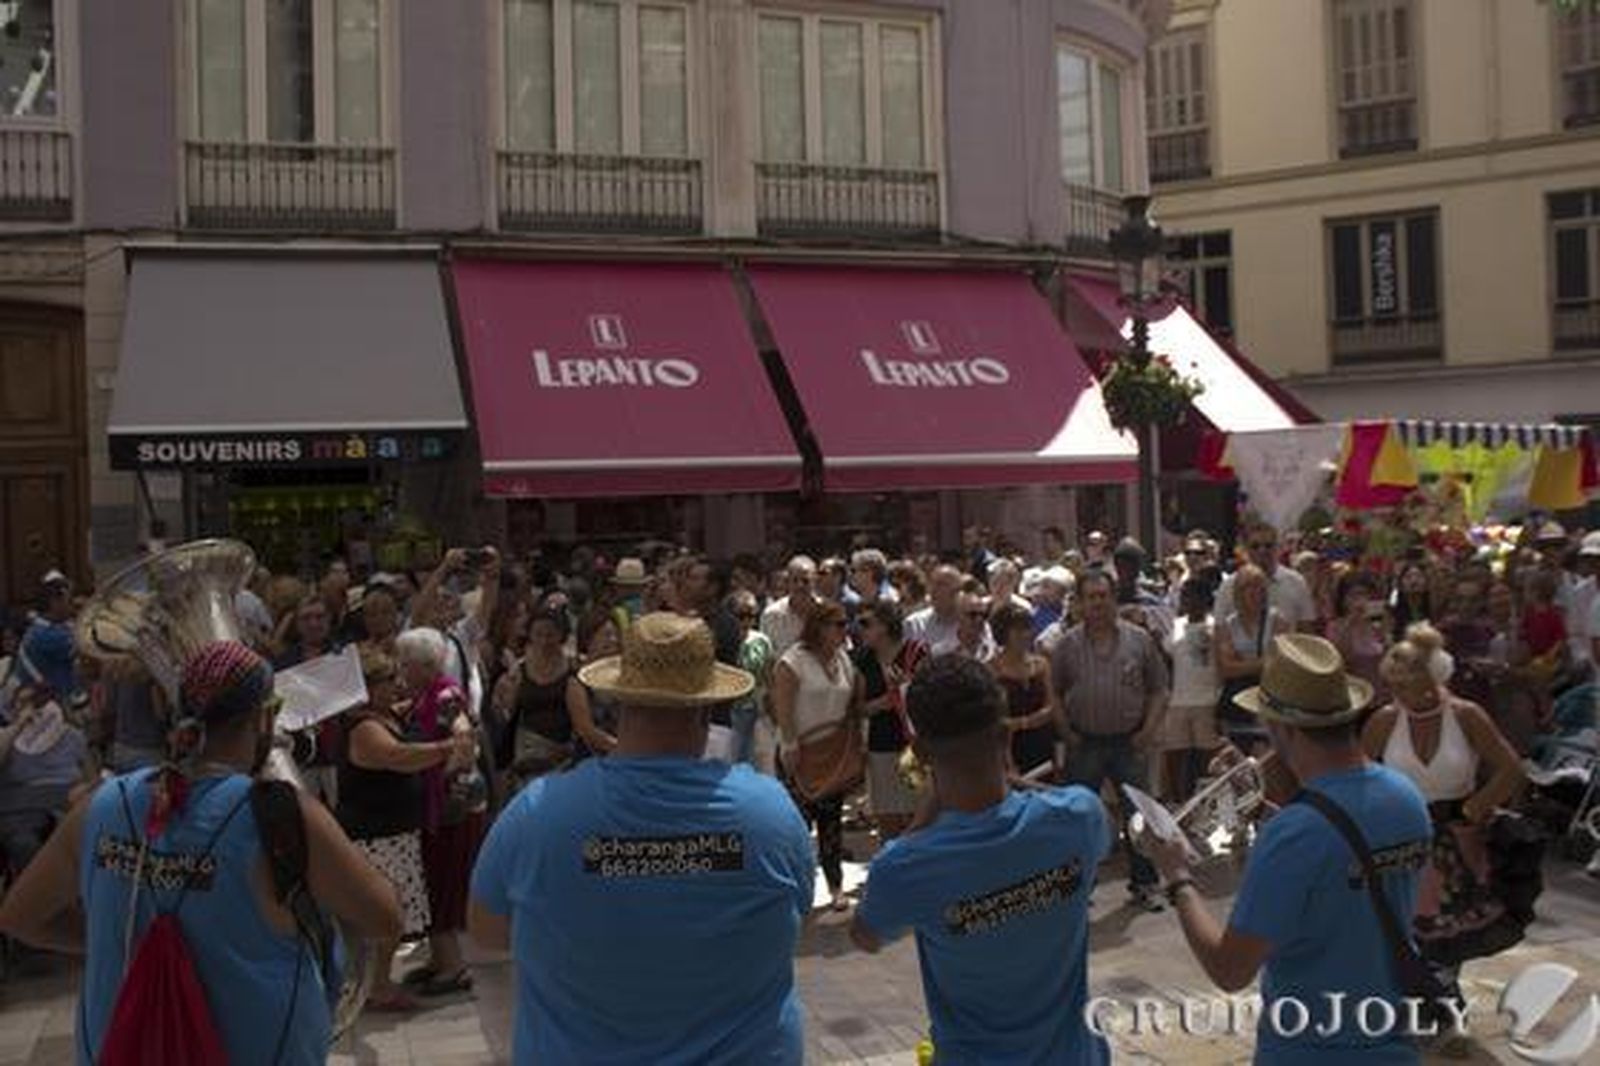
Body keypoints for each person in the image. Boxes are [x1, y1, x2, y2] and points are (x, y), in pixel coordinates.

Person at [0, 641, 401, 1065]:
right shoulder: (282, 814)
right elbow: (384, 916)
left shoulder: (100, 805)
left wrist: (119, 937)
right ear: (265, 716)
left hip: (122, 1048)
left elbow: (19, 917)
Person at [469, 613, 813, 1064]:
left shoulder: (537, 815)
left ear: (615, 700)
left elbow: (488, 932)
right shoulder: (771, 814)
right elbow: (797, 918)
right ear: (706, 709)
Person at [1139, 634, 1433, 1064]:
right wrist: (1260, 807)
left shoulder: (1296, 835)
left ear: (1282, 729)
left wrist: (1177, 877)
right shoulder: (1406, 796)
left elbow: (1230, 969)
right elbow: (1353, 870)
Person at [850, 655, 1111, 1064]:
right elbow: (1069, 814)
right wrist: (1017, 783)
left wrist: (924, 815)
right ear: (1005, 736)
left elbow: (864, 936)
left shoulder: (904, 866)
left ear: (919, 751)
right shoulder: (1079, 818)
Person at [1363, 624, 1528, 986]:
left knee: (1448, 941)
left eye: (1403, 684)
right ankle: (1416, 1010)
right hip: (1403, 840)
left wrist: (1475, 807)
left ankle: (1442, 1011)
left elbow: (1510, 769)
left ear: (1431, 677)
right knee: (1402, 935)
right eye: (1391, 684)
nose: (1396, 693)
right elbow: (1358, 777)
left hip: (1457, 839)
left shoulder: (1466, 715)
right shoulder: (1385, 720)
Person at [337, 649, 474, 1013]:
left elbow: (442, 704)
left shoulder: (387, 714)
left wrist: (454, 724)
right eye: (387, 680)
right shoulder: (365, 728)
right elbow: (398, 757)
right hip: (375, 837)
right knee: (383, 916)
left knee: (392, 916)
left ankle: (377, 982)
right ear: (367, 688)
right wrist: (447, 748)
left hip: (395, 836)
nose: (396, 685)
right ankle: (376, 987)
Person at [1050, 568, 1169, 911]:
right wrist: (1066, 732)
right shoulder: (1067, 645)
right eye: (1091, 597)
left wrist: (1148, 731)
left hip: (1129, 743)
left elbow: (1159, 688)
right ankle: (1078, 888)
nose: (1098, 603)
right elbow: (1054, 692)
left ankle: (1145, 884)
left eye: (1104, 596)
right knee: (1079, 819)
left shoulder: (1140, 640)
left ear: (1114, 599)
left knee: (1139, 817)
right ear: (1080, 603)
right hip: (1083, 742)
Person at [396, 627, 484, 999]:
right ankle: (439, 958)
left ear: (426, 665)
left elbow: (463, 740)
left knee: (443, 882)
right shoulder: (424, 696)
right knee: (434, 879)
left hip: (452, 809)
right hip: (440, 807)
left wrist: (441, 775)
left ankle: (453, 966)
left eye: (406, 664)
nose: (402, 671)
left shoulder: (446, 695)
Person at [772, 597, 857, 911]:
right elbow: (782, 708)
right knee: (797, 826)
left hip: (832, 753)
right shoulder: (793, 661)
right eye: (839, 624)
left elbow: (850, 703)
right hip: (800, 753)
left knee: (832, 824)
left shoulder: (843, 658)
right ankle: (795, 889)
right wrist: (790, 745)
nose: (845, 630)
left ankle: (836, 887)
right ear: (819, 627)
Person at [0, 683, 91, 875]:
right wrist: (18, 726)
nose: (28, 707)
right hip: (22, 805)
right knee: (23, 841)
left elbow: (90, 774)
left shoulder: (71, 735)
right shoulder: (7, 736)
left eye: (34, 702)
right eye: (21, 703)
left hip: (65, 797)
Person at [854, 601, 923, 840]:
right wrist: (886, 702)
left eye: (865, 623)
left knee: (918, 816)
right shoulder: (863, 659)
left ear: (884, 626)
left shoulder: (916, 652)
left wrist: (906, 689)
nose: (859, 628)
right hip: (880, 747)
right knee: (888, 818)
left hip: (913, 748)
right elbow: (857, 709)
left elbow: (930, 698)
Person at [491, 601, 578, 792]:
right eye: (538, 634)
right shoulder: (518, 671)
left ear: (562, 635)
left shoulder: (574, 669)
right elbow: (505, 715)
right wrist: (504, 694)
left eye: (550, 634)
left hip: (565, 754)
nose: (544, 641)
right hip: (528, 755)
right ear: (530, 635)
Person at [1161, 578, 1221, 803]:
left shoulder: (1215, 627)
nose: (1188, 600)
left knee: (1206, 760)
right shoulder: (1177, 625)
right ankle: (1180, 802)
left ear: (1206, 600)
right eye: (1185, 595)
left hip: (1207, 702)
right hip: (1178, 702)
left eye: (1194, 595)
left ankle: (1206, 803)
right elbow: (1168, 652)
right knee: (1176, 756)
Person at [1216, 564, 1287, 755]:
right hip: (1237, 702)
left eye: (1259, 587)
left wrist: (1242, 663)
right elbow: (1226, 669)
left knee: (1266, 754)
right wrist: (1261, 663)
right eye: (1249, 587)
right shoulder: (1229, 625)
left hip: (1269, 698)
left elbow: (1279, 662)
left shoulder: (1277, 620)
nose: (1255, 592)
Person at [988, 602, 1059, 779]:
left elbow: (1051, 706)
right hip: (1010, 749)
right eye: (1018, 631)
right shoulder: (990, 670)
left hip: (1042, 743)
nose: (1025, 635)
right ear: (1003, 633)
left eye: (1028, 628)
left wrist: (1021, 723)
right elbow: (995, 719)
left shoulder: (1041, 664)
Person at [1214, 523, 1316, 632]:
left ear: (1278, 548)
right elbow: (1220, 629)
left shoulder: (1296, 582)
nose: (1262, 551)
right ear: (1245, 550)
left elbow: (1306, 629)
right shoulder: (1229, 586)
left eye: (1268, 545)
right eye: (1255, 546)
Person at [1326, 569, 1391, 707]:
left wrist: (1384, 632)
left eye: (1364, 594)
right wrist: (1351, 622)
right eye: (1353, 595)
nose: (1360, 600)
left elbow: (1389, 656)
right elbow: (1339, 660)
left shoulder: (1378, 623)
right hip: (1353, 697)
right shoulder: (1335, 627)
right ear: (1343, 599)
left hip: (1380, 696)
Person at [728, 590, 775, 768]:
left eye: (752, 615)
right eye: (741, 616)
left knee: (755, 762)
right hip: (728, 712)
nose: (747, 621)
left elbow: (769, 678)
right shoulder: (721, 641)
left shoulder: (761, 641)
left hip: (755, 711)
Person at [19, 571, 78, 702]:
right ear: (54, 602)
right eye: (69, 600)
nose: (72, 606)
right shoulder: (47, 635)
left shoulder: (41, 627)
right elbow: (90, 649)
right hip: (53, 706)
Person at [761, 555, 817, 658]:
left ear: (815, 581)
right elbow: (767, 656)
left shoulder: (828, 612)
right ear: (788, 582)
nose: (800, 586)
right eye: (795, 580)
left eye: (805, 581)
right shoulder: (772, 615)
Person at [904, 565, 963, 655]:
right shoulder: (914, 624)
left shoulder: (972, 623)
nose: (933, 590)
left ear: (957, 591)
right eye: (932, 584)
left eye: (941, 584)